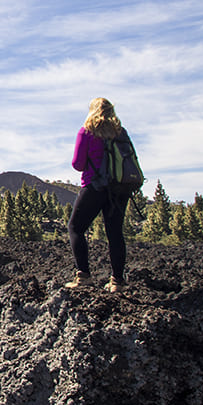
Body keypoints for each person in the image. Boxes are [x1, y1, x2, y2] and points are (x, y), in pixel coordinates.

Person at [65, 97, 129, 292]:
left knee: (75, 227)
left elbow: (78, 164)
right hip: (119, 189)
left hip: (94, 186)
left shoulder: (87, 130)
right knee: (115, 233)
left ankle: (83, 276)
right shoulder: (120, 132)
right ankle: (117, 281)